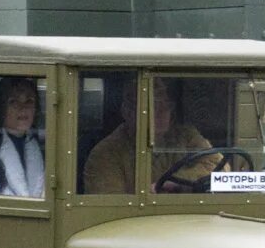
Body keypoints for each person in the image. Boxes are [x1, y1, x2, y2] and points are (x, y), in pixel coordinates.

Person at [82, 78, 221, 194]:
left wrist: (175, 182)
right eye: (153, 107)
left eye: (165, 106)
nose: (161, 113)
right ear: (128, 112)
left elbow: (220, 167)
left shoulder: (186, 136)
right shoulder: (106, 153)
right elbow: (111, 207)